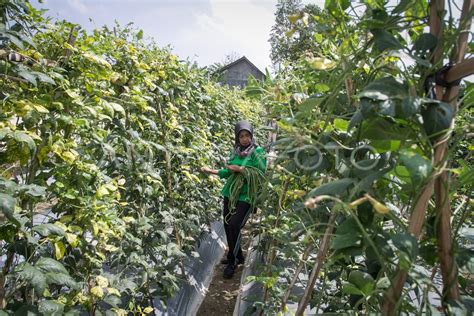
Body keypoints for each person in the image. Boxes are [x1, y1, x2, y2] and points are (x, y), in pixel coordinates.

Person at [200, 120, 267, 279]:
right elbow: (228, 172)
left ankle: (232, 262)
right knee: (228, 225)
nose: (245, 139)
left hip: (246, 196)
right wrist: (211, 171)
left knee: (235, 225)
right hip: (230, 193)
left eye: (247, 135)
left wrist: (242, 170)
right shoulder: (235, 151)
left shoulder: (258, 151)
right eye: (241, 136)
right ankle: (236, 256)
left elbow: (261, 172)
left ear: (251, 135)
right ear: (237, 138)